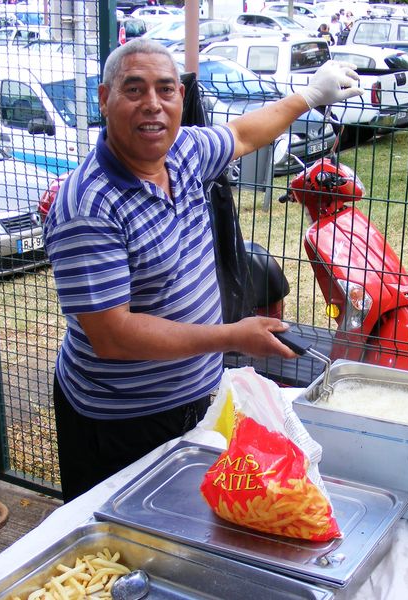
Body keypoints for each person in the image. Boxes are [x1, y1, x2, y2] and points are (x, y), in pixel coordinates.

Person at [43, 38, 362, 502]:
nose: (153, 104)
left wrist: (309, 97)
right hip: (120, 420)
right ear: (104, 99)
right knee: (127, 546)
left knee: (191, 526)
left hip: (197, 395)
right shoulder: (87, 206)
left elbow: (245, 134)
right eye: (134, 90)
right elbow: (112, 336)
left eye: (166, 89)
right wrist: (231, 336)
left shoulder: (184, 153)